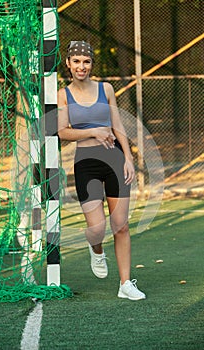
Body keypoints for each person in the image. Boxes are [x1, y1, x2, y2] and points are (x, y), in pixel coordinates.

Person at [58, 40, 146, 300]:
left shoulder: (105, 89)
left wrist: (128, 158)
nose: (81, 66)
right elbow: (63, 132)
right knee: (97, 228)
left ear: (91, 64)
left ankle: (125, 284)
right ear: (68, 64)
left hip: (115, 160)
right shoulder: (64, 94)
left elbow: (117, 123)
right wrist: (94, 131)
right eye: (76, 62)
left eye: (86, 62)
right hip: (86, 162)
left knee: (120, 226)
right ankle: (96, 248)